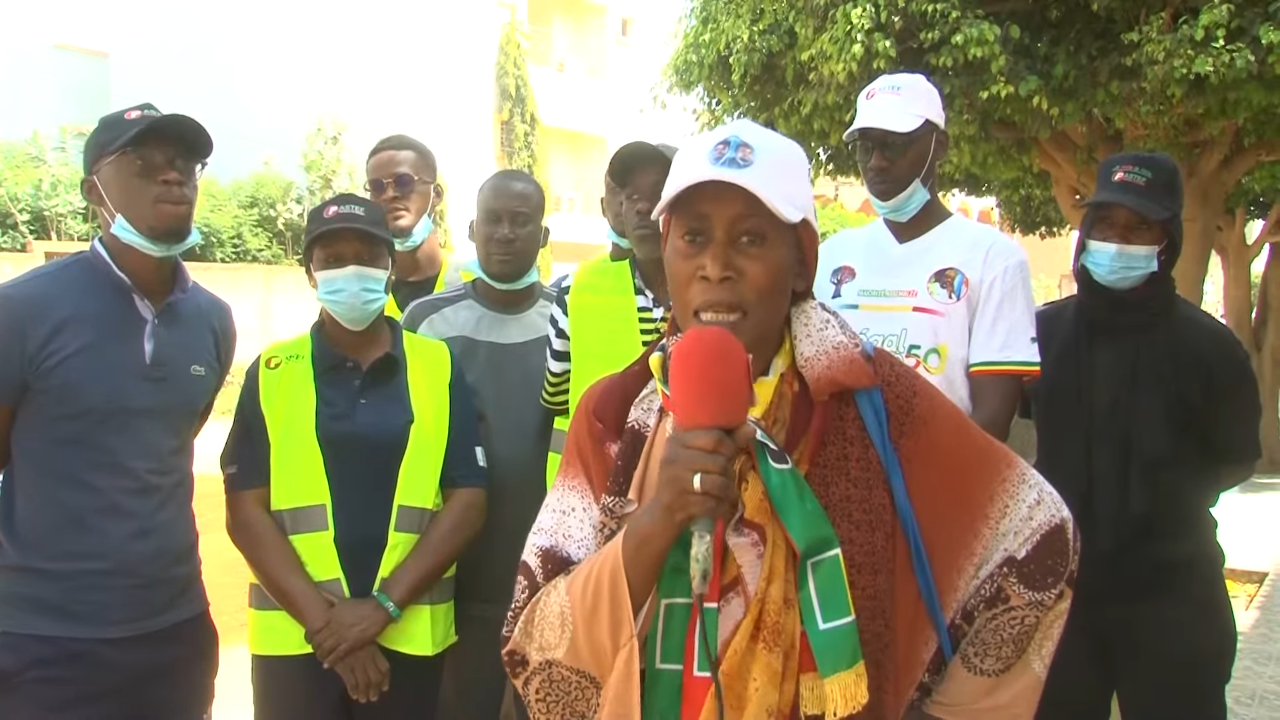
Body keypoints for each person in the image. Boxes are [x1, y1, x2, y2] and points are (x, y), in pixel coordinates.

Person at [503, 118, 1077, 719]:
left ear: (802, 263)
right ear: (666, 252)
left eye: (750, 239)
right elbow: (537, 646)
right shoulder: (616, 415)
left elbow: (1035, 538)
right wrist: (658, 519)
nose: (715, 265)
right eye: (693, 237)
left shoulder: (875, 404)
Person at [0, 103, 234, 718]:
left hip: (175, 631)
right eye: (144, 162)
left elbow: (170, 442)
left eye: (185, 163)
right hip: (45, 641)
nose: (172, 175)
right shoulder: (20, 313)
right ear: (94, 191)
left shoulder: (212, 321)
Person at [222, 193, 488, 720]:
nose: (351, 269)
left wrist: (382, 609)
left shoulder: (436, 365)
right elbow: (245, 511)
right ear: (309, 271)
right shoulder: (273, 370)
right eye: (333, 258)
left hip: (407, 635)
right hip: (297, 643)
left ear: (390, 267)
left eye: (367, 255)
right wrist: (331, 627)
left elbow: (469, 498)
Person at [1028, 153, 1259, 720]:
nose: (1117, 239)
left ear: (1168, 241)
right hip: (1061, 598)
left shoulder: (1210, 348)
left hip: (1173, 595)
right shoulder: (1039, 336)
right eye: (1105, 224)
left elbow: (1235, 458)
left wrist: (1161, 497)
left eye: (1139, 228)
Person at [401, 169, 553, 720]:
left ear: (542, 236)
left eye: (521, 222)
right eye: (494, 220)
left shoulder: (569, 321)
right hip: (453, 576)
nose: (506, 233)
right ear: (471, 227)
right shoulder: (425, 321)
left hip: (546, 575)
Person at [816, 72, 1039, 441]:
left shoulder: (994, 259)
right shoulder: (831, 257)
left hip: (942, 489)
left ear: (940, 146)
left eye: (893, 144)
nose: (876, 162)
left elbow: (993, 420)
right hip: (836, 492)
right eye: (865, 146)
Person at [541, 141, 677, 487]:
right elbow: (557, 397)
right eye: (631, 196)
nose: (643, 206)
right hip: (591, 499)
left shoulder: (722, 294)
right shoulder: (576, 290)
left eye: (660, 192)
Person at [365, 134, 473, 319]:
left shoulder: (476, 285)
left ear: (436, 194)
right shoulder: (360, 290)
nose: (389, 194)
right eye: (377, 187)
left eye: (404, 181)